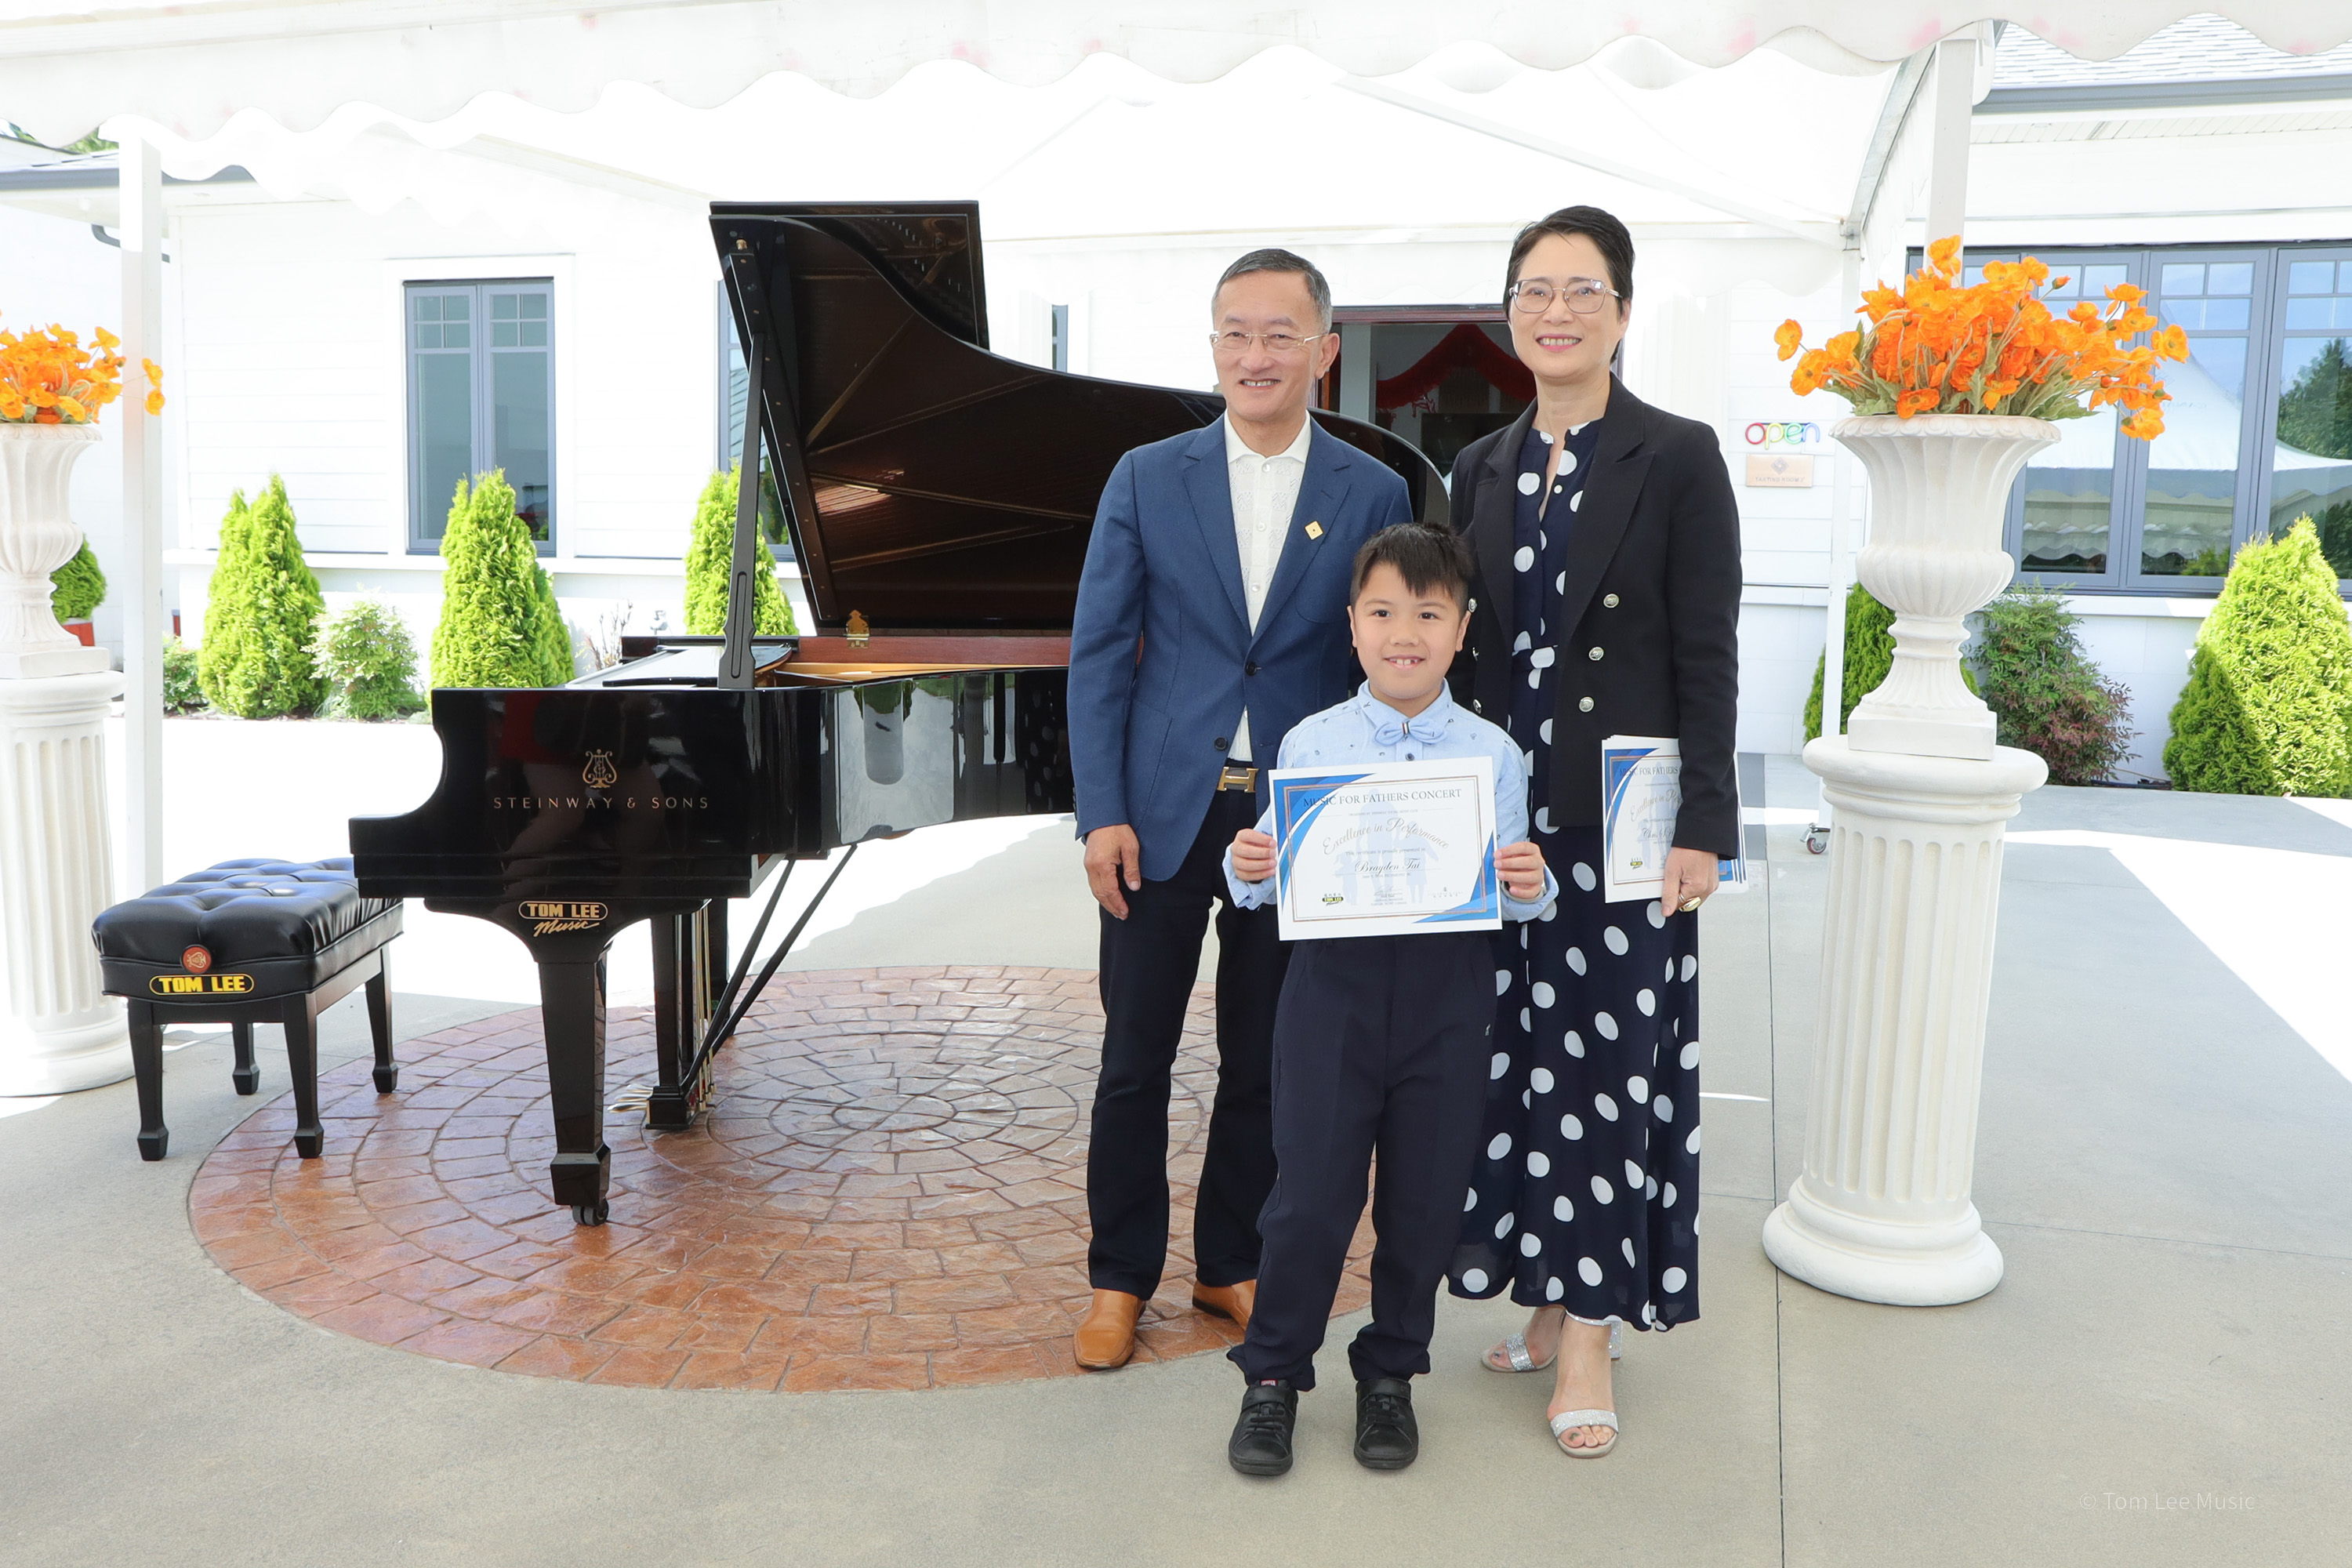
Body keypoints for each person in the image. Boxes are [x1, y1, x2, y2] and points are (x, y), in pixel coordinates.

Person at [1065, 249, 1414, 1371]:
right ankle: (1119, 1276)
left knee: (1267, 1058)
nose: (1254, 355)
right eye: (1235, 333)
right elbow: (1099, 654)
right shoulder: (1143, 477)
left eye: (1279, 334)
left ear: (1324, 350)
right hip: (1162, 812)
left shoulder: (1373, 491)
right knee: (1135, 1057)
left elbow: (1378, 667)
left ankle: (1227, 1262)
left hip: (1298, 823)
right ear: (1213, 345)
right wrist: (1101, 811)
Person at [1443, 205, 1741, 1458]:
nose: (1553, 311)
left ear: (1622, 310)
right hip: (1508, 828)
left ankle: (1590, 1334)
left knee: (1607, 1078)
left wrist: (1705, 827)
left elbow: (1704, 652)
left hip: (1623, 832)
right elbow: (1464, 661)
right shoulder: (1480, 465)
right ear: (1509, 311)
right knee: (1515, 1070)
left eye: (1580, 289)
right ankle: (1547, 1293)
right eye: (1533, 289)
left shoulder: (1677, 456)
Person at [1219, 524, 1556, 1477]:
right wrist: (1248, 863)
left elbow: (1515, 889)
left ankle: (1391, 1373)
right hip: (1331, 998)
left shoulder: (1493, 752)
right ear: (1353, 625)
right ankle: (1273, 1375)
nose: (1404, 632)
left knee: (1423, 1203)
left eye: (1428, 613)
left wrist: (1529, 883)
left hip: (1449, 1001)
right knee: (1309, 1199)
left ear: (1461, 630)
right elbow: (1267, 875)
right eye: (1382, 612)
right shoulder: (1312, 740)